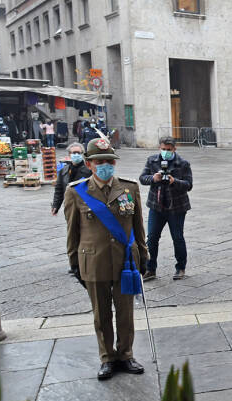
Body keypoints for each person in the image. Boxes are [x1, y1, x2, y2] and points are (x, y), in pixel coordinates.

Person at [64, 137, 149, 381]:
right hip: (93, 261)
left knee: (125, 313)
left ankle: (126, 354)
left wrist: (143, 254)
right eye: (100, 162)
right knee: (101, 314)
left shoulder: (129, 188)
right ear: (89, 164)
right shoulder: (76, 192)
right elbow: (73, 232)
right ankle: (107, 358)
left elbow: (138, 226)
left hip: (126, 261)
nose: (106, 166)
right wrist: (74, 263)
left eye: (109, 161)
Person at [139, 138, 193, 281]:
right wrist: (153, 178)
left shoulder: (183, 164)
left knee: (177, 237)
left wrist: (174, 181)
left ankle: (180, 268)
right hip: (156, 206)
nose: (166, 152)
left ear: (174, 149)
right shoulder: (152, 160)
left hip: (177, 207)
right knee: (152, 238)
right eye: (164, 149)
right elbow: (142, 178)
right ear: (159, 148)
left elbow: (189, 184)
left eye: (169, 149)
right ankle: (150, 269)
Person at [52, 143, 92, 216]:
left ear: (82, 154)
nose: (76, 155)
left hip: (85, 206)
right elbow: (59, 189)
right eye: (74, 153)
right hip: (69, 205)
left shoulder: (89, 170)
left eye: (78, 153)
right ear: (69, 154)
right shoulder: (64, 170)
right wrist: (56, 206)